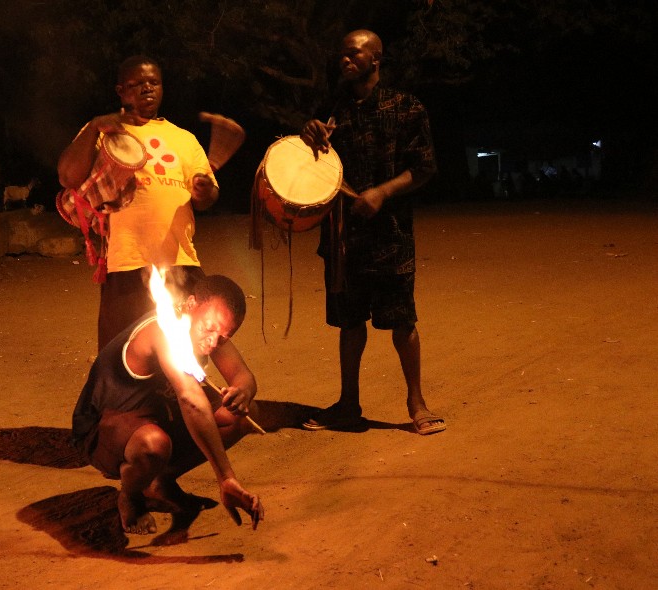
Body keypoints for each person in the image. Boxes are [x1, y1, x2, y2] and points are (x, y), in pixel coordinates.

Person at [298, 29, 446, 435]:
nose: (345, 60)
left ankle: (417, 403)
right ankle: (348, 404)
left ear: (376, 58)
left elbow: (425, 167)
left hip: (390, 235)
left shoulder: (406, 107)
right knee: (349, 323)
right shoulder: (332, 111)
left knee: (403, 322)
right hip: (342, 237)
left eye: (355, 53)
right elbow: (311, 165)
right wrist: (308, 134)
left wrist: (382, 192)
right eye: (342, 54)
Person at [71, 274, 264, 535]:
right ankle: (131, 495)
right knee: (154, 445)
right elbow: (190, 399)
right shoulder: (164, 331)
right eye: (209, 330)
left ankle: (159, 480)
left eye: (223, 338)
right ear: (191, 304)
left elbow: (243, 375)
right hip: (104, 426)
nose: (212, 343)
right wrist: (226, 477)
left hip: (157, 415)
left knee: (244, 413)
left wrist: (243, 391)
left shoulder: (209, 331)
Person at [57, 55, 219, 351]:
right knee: (123, 354)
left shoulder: (184, 139)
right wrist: (93, 127)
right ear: (121, 91)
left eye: (154, 82)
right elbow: (67, 176)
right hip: (126, 262)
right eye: (137, 83)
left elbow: (207, 199)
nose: (147, 88)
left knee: (190, 349)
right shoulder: (106, 132)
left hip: (180, 260)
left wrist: (204, 191)